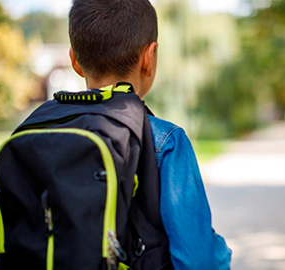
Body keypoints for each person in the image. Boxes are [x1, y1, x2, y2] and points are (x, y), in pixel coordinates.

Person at [68, 0, 232, 269]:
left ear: (74, 60)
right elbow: (197, 258)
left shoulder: (30, 133)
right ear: (149, 57)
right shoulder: (164, 141)